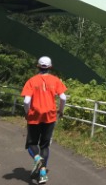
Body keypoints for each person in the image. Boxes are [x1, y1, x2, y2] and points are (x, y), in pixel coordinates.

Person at [21, 56, 67, 184]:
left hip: (34, 115)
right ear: (50, 67)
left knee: (31, 143)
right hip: (50, 116)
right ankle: (42, 174)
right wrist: (61, 111)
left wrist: (27, 113)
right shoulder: (56, 80)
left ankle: (36, 158)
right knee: (45, 146)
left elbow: (26, 101)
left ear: (38, 66)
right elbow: (63, 98)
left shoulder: (31, 81)